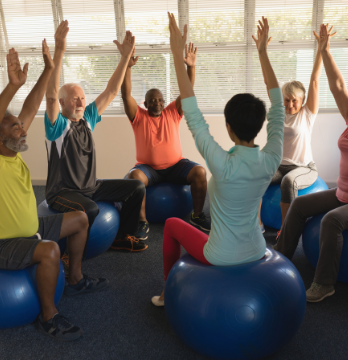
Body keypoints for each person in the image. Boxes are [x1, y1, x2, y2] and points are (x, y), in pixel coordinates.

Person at [151, 14, 285, 306]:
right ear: (262, 125)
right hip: (257, 247)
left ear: (228, 127)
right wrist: (262, 52)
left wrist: (176, 54)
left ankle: (165, 293)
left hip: (221, 254)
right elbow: (278, 105)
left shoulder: (222, 163)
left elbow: (192, 112)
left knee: (173, 224)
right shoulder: (271, 158)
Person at [0, 43, 108, 341]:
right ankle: (49, 316)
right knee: (50, 250)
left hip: (32, 227)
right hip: (4, 243)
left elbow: (33, 106)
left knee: (81, 218)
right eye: (13, 127)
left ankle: (74, 279)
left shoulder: (13, 154)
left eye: (21, 126)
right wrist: (11, 86)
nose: (22, 130)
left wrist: (48, 69)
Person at [273, 24, 348, 302]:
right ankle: (280, 257)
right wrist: (325, 51)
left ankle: (324, 283)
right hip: (344, 194)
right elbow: (338, 85)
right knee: (298, 205)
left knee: (331, 222)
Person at [44, 20, 147, 253]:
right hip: (62, 192)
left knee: (136, 187)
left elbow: (111, 91)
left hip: (90, 186)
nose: (80, 102)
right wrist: (59, 51)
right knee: (90, 209)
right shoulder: (57, 126)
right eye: (73, 99)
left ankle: (122, 237)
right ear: (62, 103)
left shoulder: (87, 119)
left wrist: (125, 58)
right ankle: (71, 257)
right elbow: (50, 96)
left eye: (82, 98)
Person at [121, 40, 210, 240]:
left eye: (160, 99)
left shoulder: (172, 112)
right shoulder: (138, 116)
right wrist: (127, 67)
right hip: (148, 169)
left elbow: (187, 92)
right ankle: (142, 222)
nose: (157, 103)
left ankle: (197, 215)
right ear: (145, 103)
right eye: (152, 100)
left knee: (200, 172)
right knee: (135, 179)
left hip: (176, 165)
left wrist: (191, 66)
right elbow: (126, 95)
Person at [257, 24, 336, 234]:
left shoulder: (307, 114)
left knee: (288, 182)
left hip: (304, 168)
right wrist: (261, 52)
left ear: (301, 101)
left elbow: (315, 81)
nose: (290, 104)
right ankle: (256, 224)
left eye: (294, 100)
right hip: (278, 164)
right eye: (286, 100)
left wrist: (321, 50)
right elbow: (268, 82)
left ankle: (286, 229)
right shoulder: (278, 112)